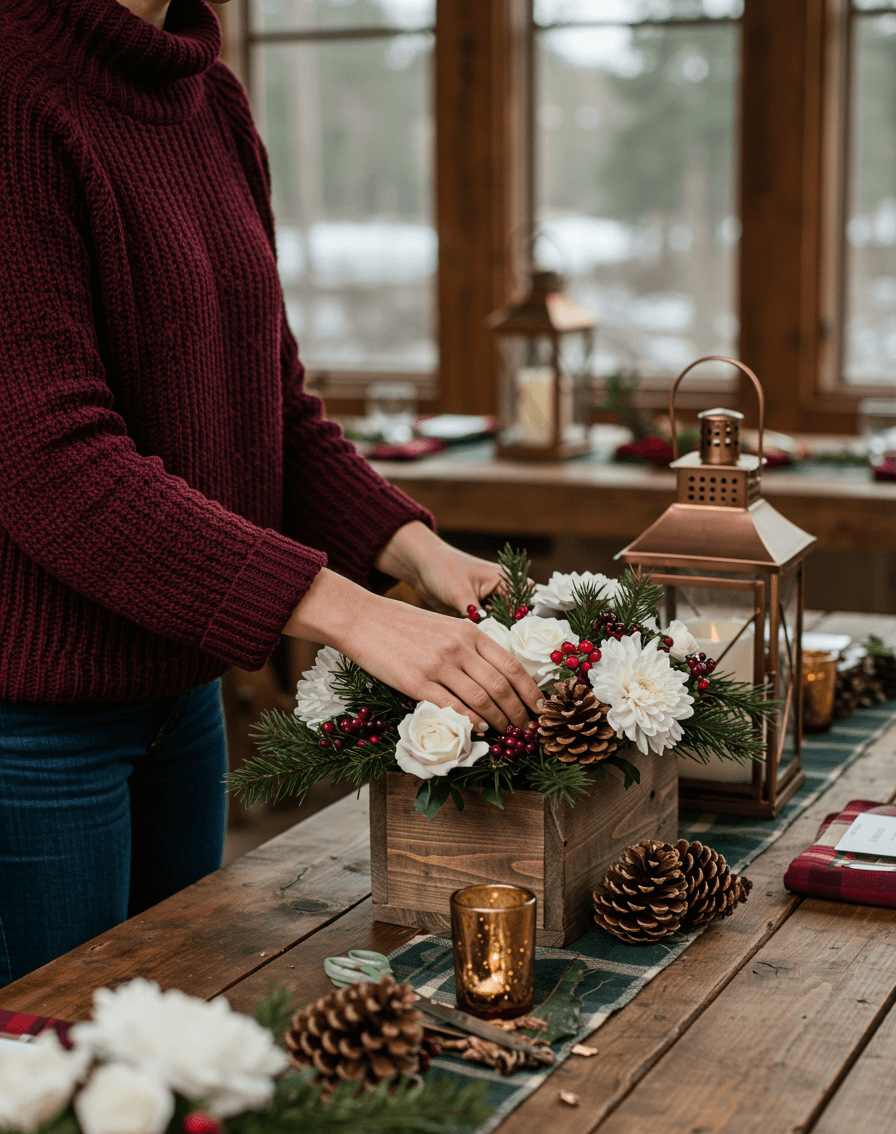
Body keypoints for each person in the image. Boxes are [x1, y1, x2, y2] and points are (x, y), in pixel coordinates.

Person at [0, 0, 542, 986]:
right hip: (32, 733)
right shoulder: (16, 94)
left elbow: (270, 410)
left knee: (177, 1050)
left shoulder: (209, 99)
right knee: (51, 1089)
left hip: (182, 700)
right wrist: (353, 614)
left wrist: (417, 551)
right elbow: (51, 460)